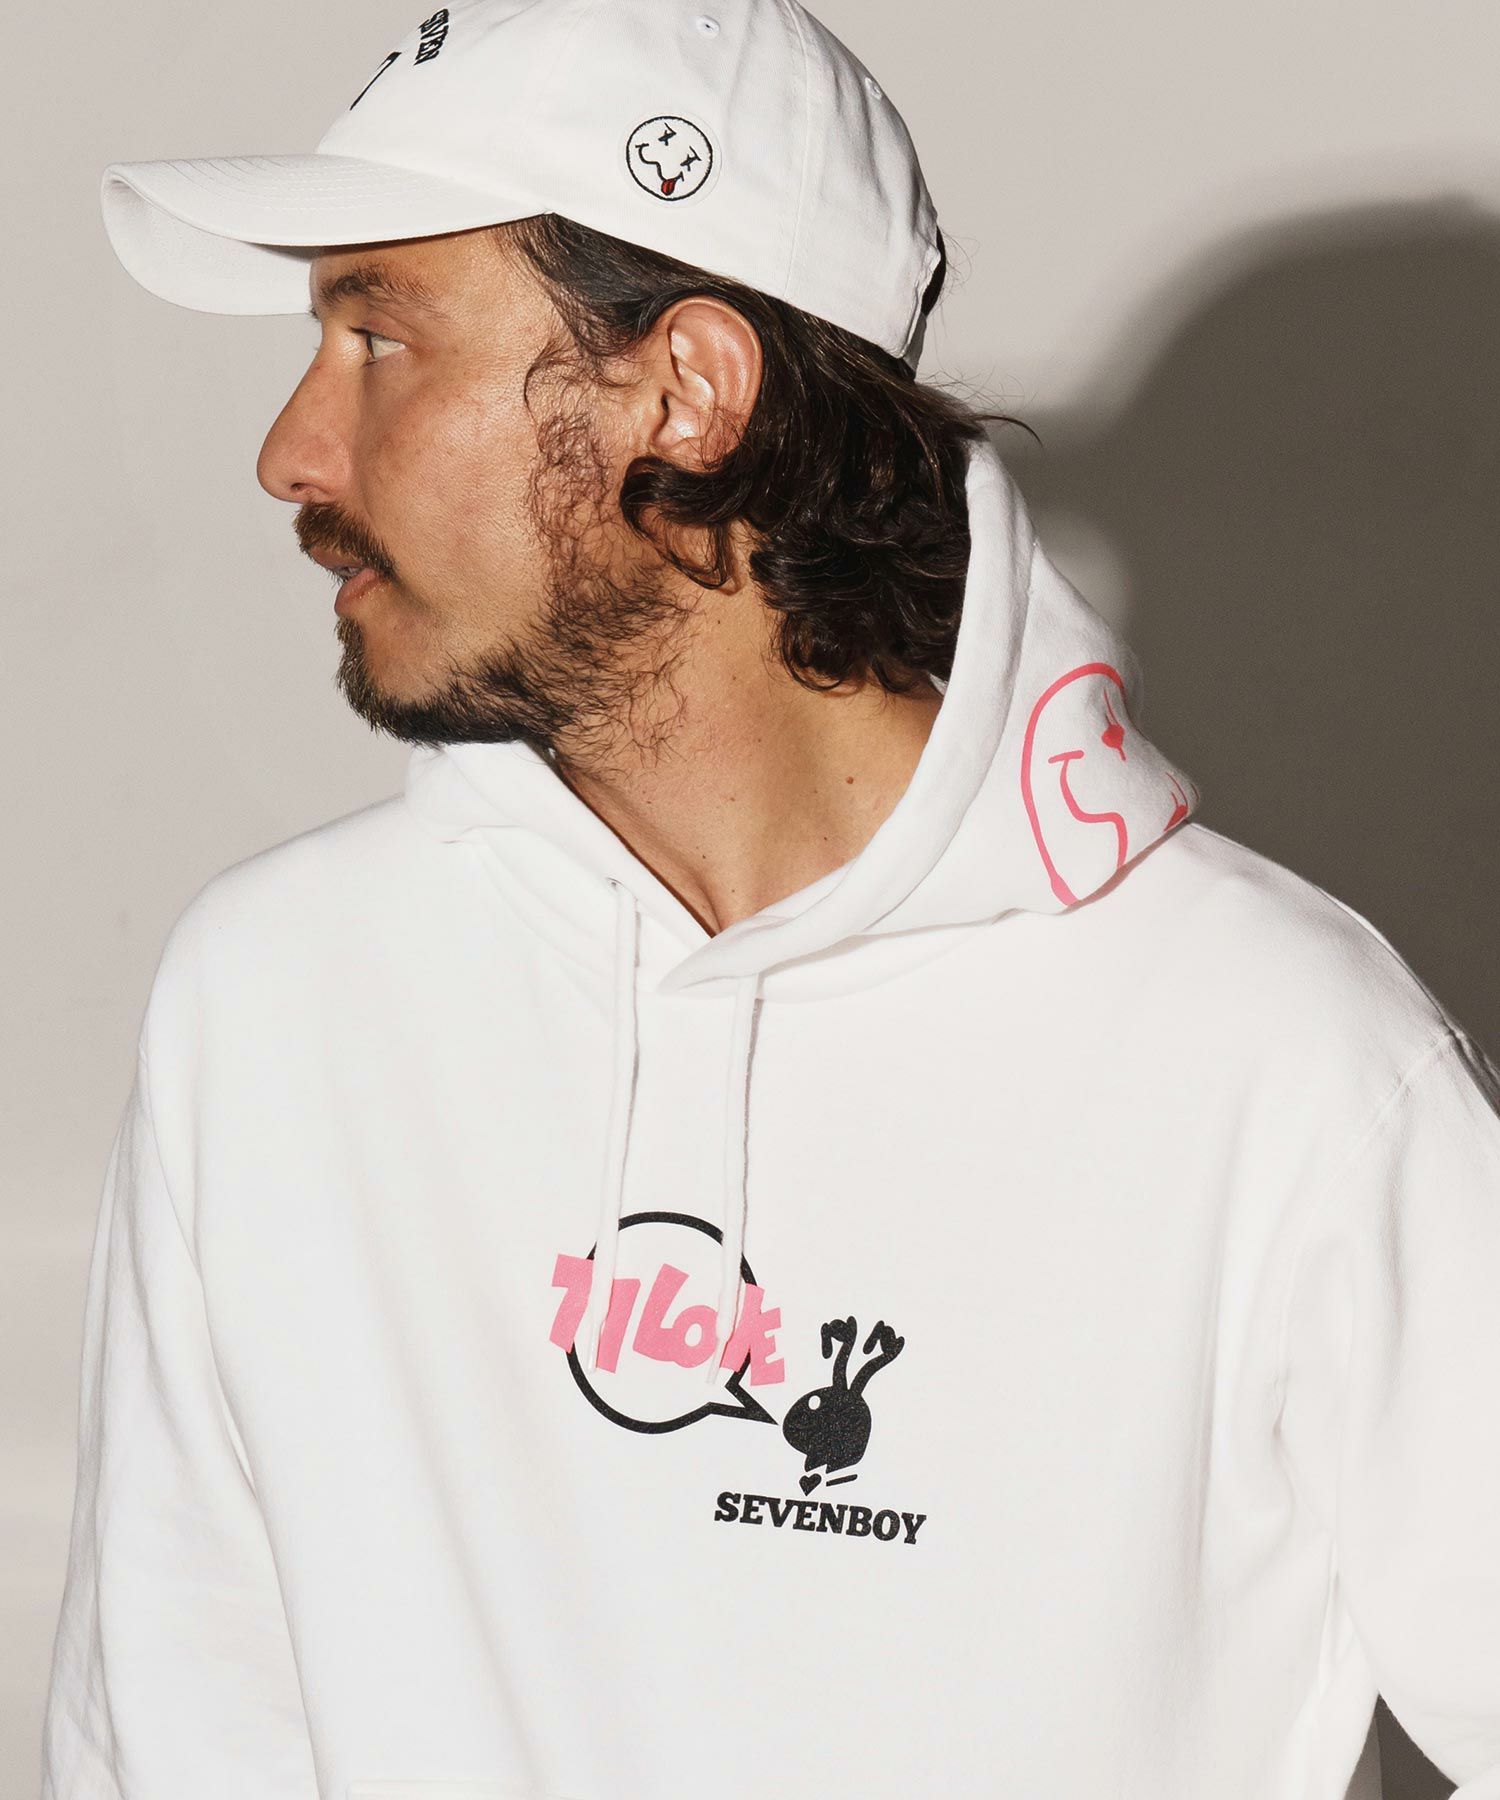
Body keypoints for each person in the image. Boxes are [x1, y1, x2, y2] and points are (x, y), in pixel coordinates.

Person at [40, 0, 1500, 1796]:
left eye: (381, 338)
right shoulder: (273, 1006)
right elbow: (171, 1745)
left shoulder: (1286, 1060)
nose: (291, 451)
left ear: (689, 391)